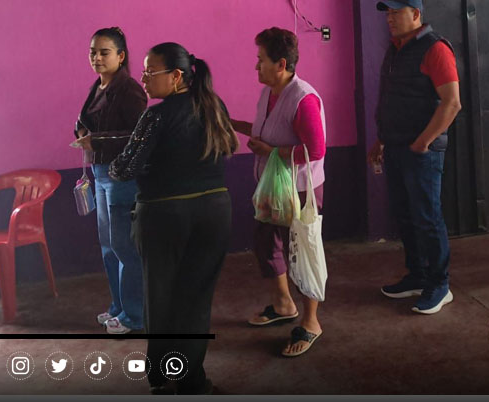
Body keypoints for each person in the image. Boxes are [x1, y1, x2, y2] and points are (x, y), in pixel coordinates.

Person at [110, 42, 237, 395]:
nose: (144, 79)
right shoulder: (214, 106)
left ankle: (165, 376)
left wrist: (113, 154)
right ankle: (191, 381)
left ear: (177, 76)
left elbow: (124, 169)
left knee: (161, 297)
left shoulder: (156, 116)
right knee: (196, 299)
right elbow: (226, 148)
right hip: (215, 211)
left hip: (165, 216)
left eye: (150, 72)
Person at [230, 27, 327, 357]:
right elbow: (263, 132)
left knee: (302, 250)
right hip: (271, 186)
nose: (256, 66)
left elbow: (315, 150)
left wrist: (272, 152)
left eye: (261, 60)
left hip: (299, 189)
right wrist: (230, 123)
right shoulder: (269, 93)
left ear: (281, 64)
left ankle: (311, 321)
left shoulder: (303, 99)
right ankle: (284, 304)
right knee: (266, 243)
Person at [369, 0, 461, 314]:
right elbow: (391, 101)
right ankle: (418, 276)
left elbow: (452, 103)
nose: (390, 19)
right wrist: (381, 140)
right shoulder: (396, 50)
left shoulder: (435, 49)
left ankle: (440, 284)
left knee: (427, 217)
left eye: (397, 12)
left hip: (422, 152)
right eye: (388, 13)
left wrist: (423, 142)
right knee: (406, 215)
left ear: (416, 15)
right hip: (395, 147)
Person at [74, 27, 147, 334]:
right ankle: (118, 307)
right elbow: (87, 122)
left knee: (124, 248)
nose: (97, 58)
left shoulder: (130, 90)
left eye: (104, 52)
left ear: (121, 56)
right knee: (108, 246)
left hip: (121, 176)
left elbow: (138, 137)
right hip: (99, 173)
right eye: (93, 52)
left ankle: (134, 316)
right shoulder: (99, 86)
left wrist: (98, 141)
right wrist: (81, 132)